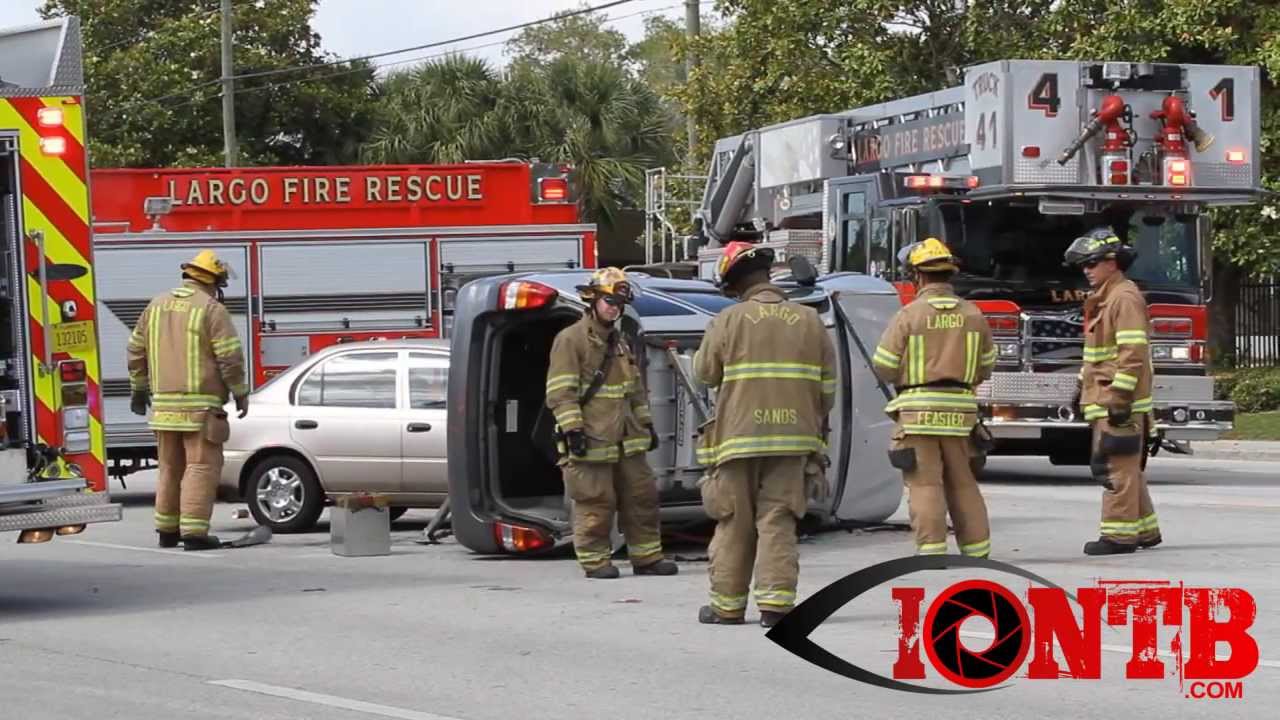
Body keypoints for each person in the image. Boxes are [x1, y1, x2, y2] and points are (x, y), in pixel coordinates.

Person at [692, 241, 837, 628]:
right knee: (778, 519)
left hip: (738, 440)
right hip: (794, 440)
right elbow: (827, 391)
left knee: (734, 520)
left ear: (734, 283)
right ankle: (775, 608)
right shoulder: (809, 321)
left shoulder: (728, 320)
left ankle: (727, 607)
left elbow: (704, 374)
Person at [545, 267, 678, 579]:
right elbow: (560, 392)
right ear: (592, 300)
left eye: (619, 304)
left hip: (627, 439)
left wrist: (647, 425)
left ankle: (647, 558)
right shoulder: (571, 340)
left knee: (642, 498)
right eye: (608, 301)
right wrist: (573, 429)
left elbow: (633, 391)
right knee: (595, 502)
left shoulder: (619, 342)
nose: (613, 308)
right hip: (592, 438)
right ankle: (595, 561)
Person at [872, 237, 996, 558]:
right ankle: (976, 550)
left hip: (917, 413)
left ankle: (932, 552)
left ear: (918, 276)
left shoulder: (909, 315)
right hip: (961, 415)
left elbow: (884, 366)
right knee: (963, 482)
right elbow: (986, 367)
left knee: (925, 484)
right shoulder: (973, 315)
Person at [127, 250, 249, 551]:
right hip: (200, 411)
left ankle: (167, 531)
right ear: (214, 282)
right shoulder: (211, 309)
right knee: (201, 466)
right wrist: (240, 391)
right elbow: (229, 357)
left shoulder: (155, 305)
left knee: (169, 467)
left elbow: (135, 351)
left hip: (164, 410)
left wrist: (139, 391)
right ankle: (194, 532)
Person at [1064, 227, 1161, 555]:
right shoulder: (1107, 297)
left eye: (1093, 263)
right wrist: (1081, 385)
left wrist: (1120, 396)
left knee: (1114, 467)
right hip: (1104, 395)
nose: (1087, 271)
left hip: (1118, 401)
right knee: (1128, 466)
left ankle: (1119, 537)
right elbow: (1098, 354)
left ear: (1113, 262)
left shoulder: (1123, 297)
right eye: (1084, 266)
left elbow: (1132, 354)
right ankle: (1146, 530)